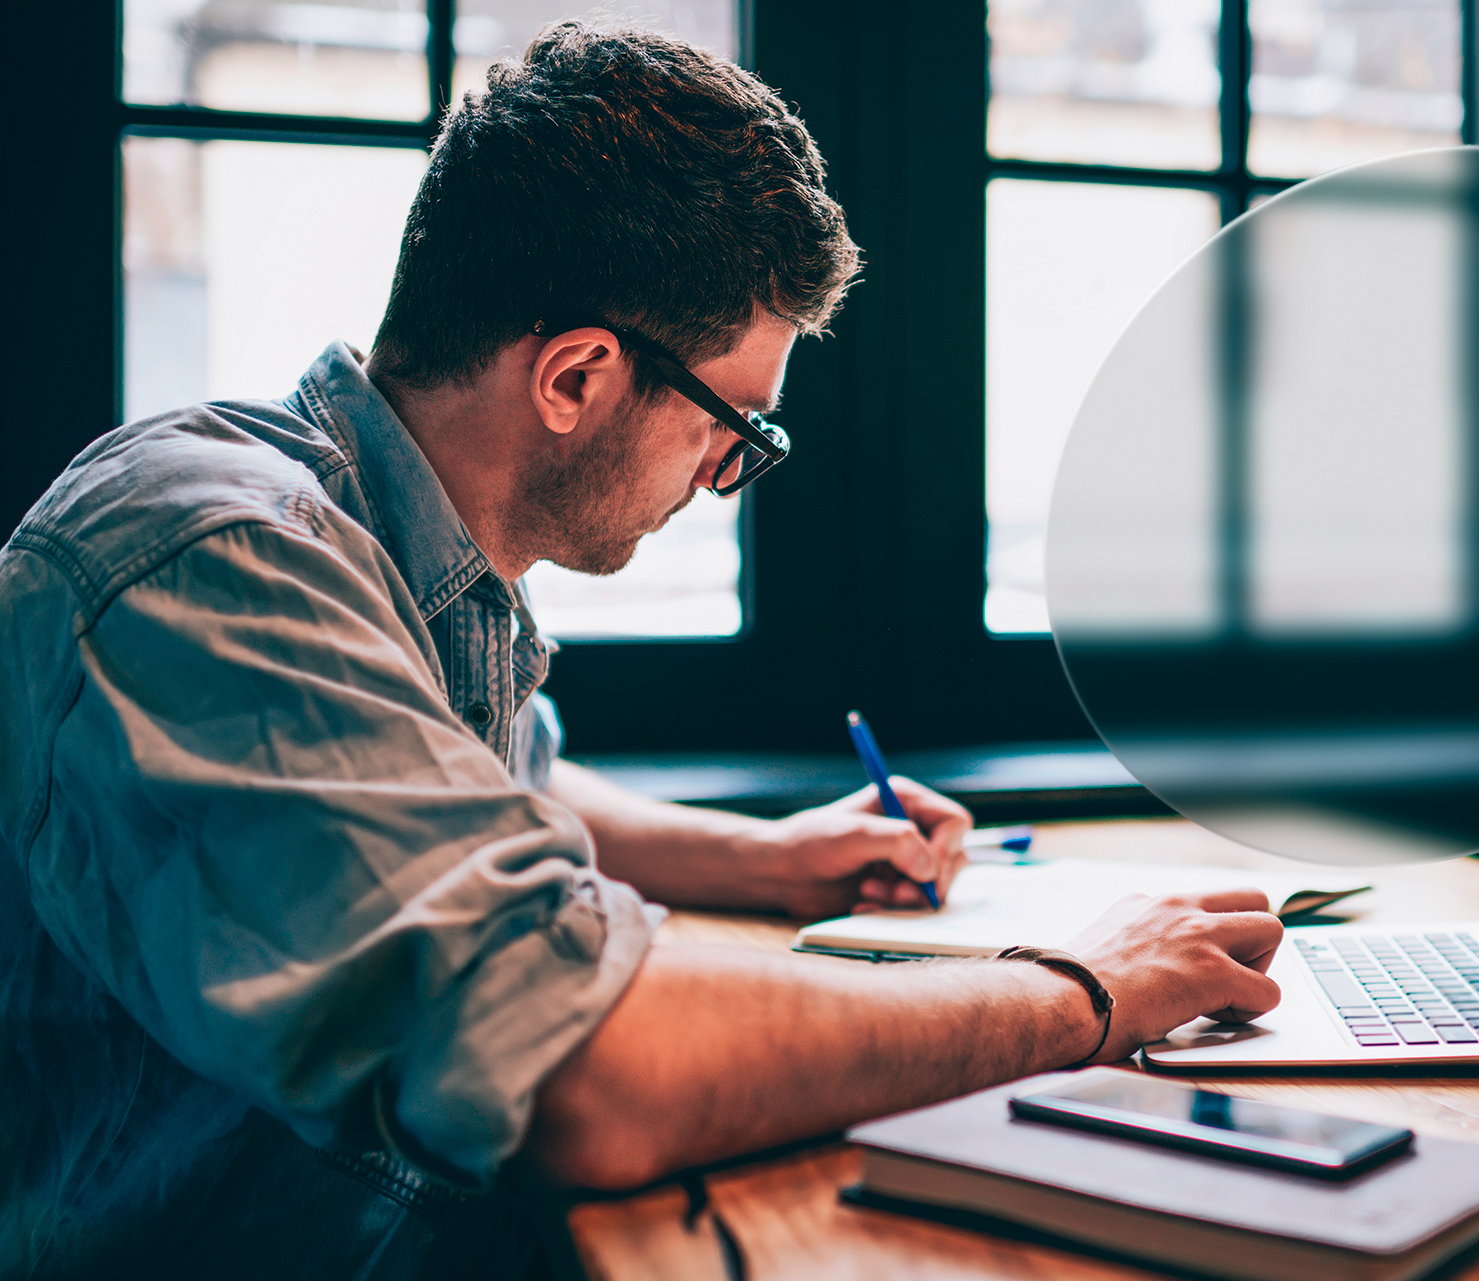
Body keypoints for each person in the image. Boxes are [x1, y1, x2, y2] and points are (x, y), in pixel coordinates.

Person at [0, 19, 1284, 1279]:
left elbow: (482, 789)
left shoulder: (392, 547)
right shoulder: (208, 560)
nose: (734, 473)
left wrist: (770, 859)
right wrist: (1086, 988)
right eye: (741, 426)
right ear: (573, 378)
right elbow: (586, 1073)